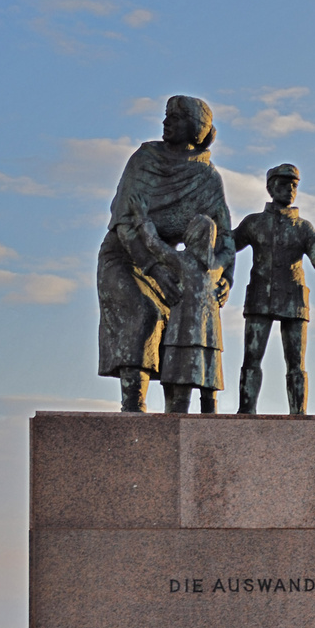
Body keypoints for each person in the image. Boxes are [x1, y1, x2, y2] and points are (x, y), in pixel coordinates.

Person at [96, 96, 235, 412]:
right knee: (145, 313)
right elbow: (125, 222)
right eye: (166, 115)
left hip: (173, 266)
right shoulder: (143, 160)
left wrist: (223, 276)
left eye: (175, 117)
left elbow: (225, 238)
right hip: (126, 257)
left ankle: (176, 418)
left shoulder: (207, 178)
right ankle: (133, 406)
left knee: (182, 328)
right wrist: (153, 268)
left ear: (195, 128)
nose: (166, 122)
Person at [231, 164, 315, 414]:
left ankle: (298, 414)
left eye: (294, 185)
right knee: (251, 359)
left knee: (296, 363)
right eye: (283, 184)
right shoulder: (254, 223)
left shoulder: (303, 227)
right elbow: (227, 246)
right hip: (260, 298)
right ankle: (245, 413)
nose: (290, 189)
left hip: (294, 300)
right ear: (270, 187)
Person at [137, 214, 227, 413]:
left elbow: (155, 245)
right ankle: (212, 437)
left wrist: (144, 222)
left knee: (180, 396)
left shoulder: (183, 261)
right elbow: (229, 247)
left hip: (183, 338)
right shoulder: (217, 267)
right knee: (209, 397)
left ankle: (175, 437)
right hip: (210, 341)